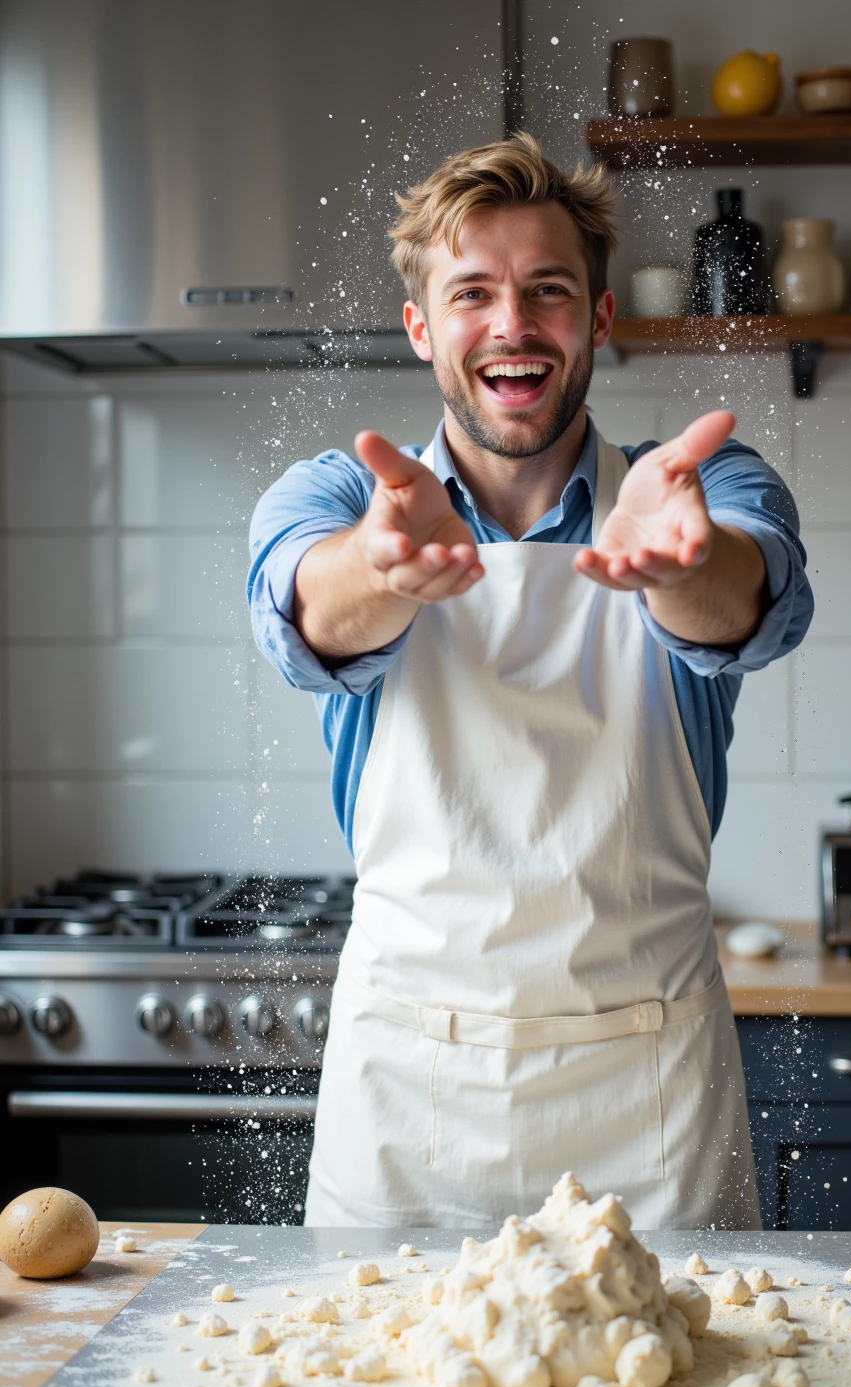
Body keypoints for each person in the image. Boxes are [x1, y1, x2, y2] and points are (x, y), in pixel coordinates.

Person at [248, 133, 813, 1230]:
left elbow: (749, 600)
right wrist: (382, 566)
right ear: (421, 328)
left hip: (647, 1111)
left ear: (598, 319)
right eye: (473, 294)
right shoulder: (337, 501)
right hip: (406, 1109)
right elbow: (307, 609)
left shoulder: (696, 488)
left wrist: (680, 568)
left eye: (548, 291)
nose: (512, 325)